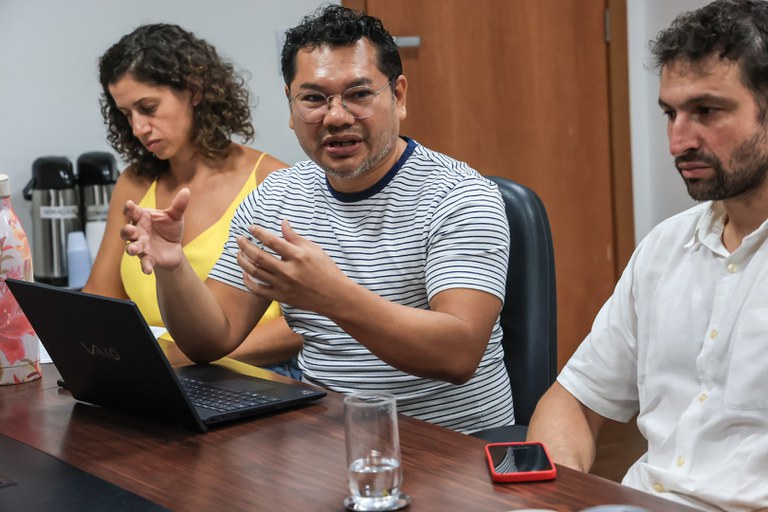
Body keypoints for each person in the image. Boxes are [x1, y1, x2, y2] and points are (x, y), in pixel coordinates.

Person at [119, 5, 515, 434]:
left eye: (359, 94)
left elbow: (457, 355)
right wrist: (173, 267)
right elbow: (210, 339)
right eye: (313, 98)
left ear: (398, 96)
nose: (336, 116)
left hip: (456, 455)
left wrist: (331, 295)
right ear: (290, 108)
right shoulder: (276, 198)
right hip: (328, 445)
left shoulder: (461, 196)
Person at [526, 1, 768, 510]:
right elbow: (573, 400)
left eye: (706, 111)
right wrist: (549, 493)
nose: (679, 140)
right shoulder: (665, 247)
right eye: (670, 113)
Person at [82, 23, 301, 378]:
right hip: (156, 372)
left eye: (148, 108)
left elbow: (302, 324)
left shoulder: (272, 181)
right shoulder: (133, 183)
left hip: (254, 376)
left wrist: (188, 354)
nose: (138, 128)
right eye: (126, 115)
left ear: (195, 91)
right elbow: (100, 295)